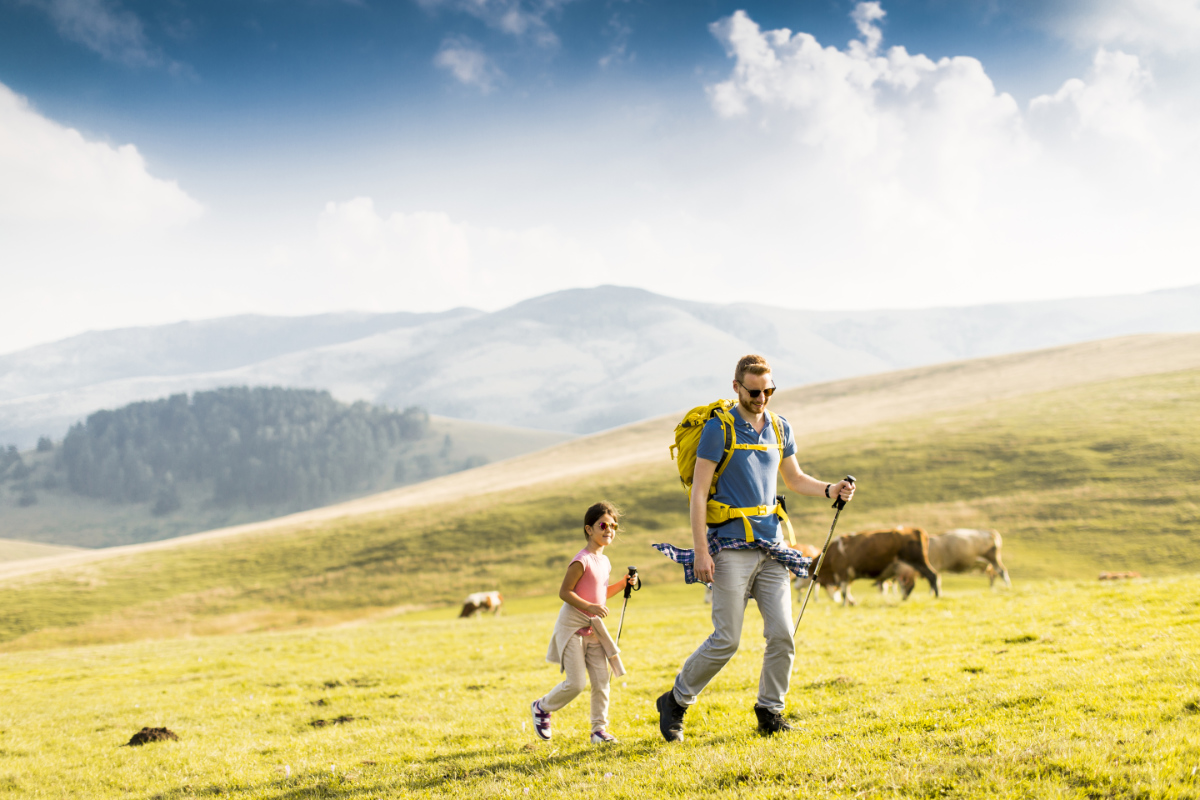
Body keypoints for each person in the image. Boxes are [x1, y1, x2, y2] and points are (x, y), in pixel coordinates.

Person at [654, 354, 855, 740]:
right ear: (736, 388)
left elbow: (794, 478)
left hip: (773, 546)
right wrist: (700, 551)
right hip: (729, 547)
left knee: (783, 635)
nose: (762, 398)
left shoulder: (780, 427)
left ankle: (770, 711)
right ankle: (676, 701)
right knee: (726, 639)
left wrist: (831, 489)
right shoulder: (719, 429)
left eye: (768, 391)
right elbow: (698, 494)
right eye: (754, 391)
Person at [531, 501, 639, 744]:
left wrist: (623, 583)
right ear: (589, 529)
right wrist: (589, 607)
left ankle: (599, 731)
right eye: (603, 525)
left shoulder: (605, 561)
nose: (609, 530)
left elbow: (599, 594)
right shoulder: (582, 560)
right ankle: (542, 707)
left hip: (594, 631)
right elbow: (565, 592)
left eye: (614, 526)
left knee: (602, 681)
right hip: (573, 629)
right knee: (576, 683)